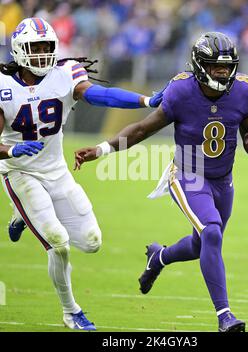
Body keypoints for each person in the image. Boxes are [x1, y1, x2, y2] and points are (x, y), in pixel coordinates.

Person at [74, 32, 248, 332]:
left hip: (223, 179)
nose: (223, 72)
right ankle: (225, 316)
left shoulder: (245, 90)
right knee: (212, 232)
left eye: (227, 67)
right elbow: (142, 130)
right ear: (200, 65)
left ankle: (158, 257)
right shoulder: (182, 90)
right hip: (187, 174)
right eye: (215, 66)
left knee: (202, 244)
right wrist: (101, 149)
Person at [0, 17, 165, 331]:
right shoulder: (3, 86)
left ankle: (21, 216)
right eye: (35, 49)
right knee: (59, 243)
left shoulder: (64, 73)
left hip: (56, 171)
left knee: (92, 242)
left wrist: (144, 101)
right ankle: (71, 311)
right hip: (19, 173)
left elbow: (99, 95)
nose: (42, 55)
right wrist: (10, 151)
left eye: (47, 47)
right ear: (19, 50)